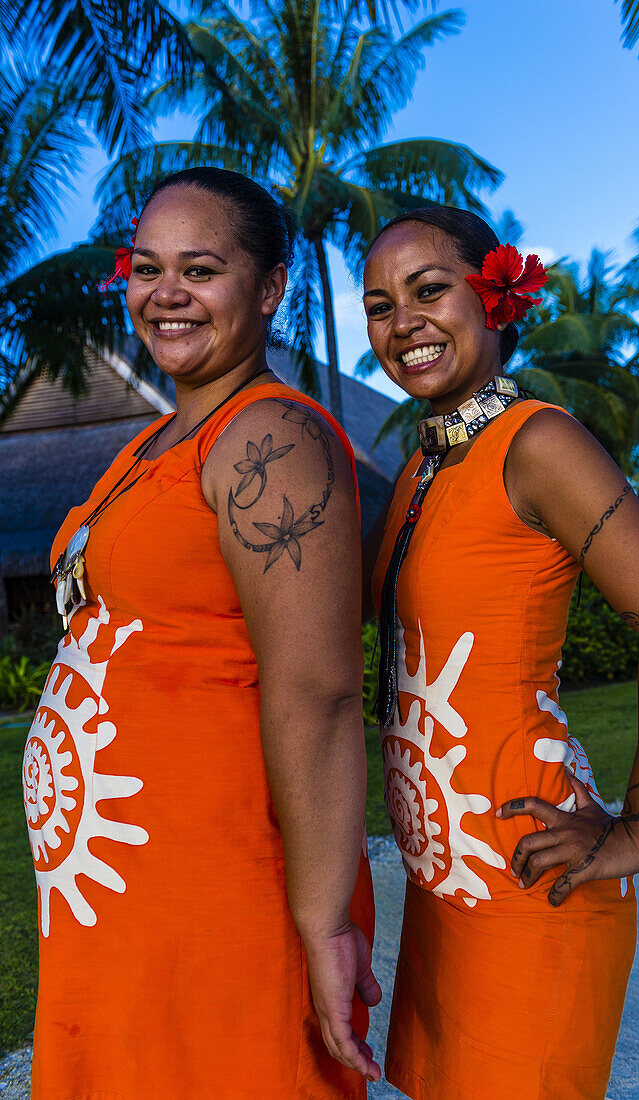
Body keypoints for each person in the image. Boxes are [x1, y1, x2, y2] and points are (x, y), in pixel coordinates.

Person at [22, 167, 380, 1099]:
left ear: (269, 289)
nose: (166, 292)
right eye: (147, 267)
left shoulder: (273, 441)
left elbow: (322, 689)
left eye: (201, 269)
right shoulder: (148, 444)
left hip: (221, 889)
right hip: (115, 893)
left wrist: (324, 919)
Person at [361, 206, 639, 1100]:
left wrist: (638, 831)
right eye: (378, 304)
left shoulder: (538, 441)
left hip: (534, 888)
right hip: (445, 893)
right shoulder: (422, 467)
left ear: (495, 297)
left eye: (429, 289)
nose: (402, 322)